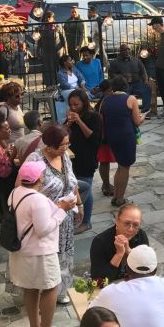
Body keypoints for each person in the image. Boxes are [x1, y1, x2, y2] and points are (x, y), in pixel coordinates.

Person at [7, 160, 76, 327]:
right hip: (41, 253)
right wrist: (61, 210)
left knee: (30, 289)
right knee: (50, 288)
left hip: (22, 252)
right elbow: (43, 229)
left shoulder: (15, 193)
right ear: (40, 178)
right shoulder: (37, 200)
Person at [25, 125, 83, 304]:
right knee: (48, 256)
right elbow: (24, 190)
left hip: (64, 217)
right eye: (61, 145)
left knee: (65, 253)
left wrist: (79, 204)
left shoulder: (64, 156)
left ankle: (61, 290)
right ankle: (44, 292)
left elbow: (72, 182)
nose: (65, 148)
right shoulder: (35, 160)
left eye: (67, 144)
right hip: (46, 216)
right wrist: (55, 206)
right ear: (49, 146)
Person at [97, 75, 145, 206]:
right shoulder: (131, 99)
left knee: (120, 166)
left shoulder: (105, 100)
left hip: (111, 137)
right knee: (125, 167)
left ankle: (116, 196)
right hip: (126, 136)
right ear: (126, 86)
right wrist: (143, 117)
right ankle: (120, 199)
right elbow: (136, 122)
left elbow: (101, 119)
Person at [66, 90, 101, 234]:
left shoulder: (94, 117)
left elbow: (92, 137)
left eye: (76, 104)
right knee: (75, 187)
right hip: (73, 157)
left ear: (84, 103)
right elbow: (65, 133)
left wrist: (79, 121)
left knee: (86, 187)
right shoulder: (73, 116)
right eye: (71, 104)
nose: (73, 107)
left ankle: (86, 221)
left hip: (87, 157)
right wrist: (68, 123)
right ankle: (77, 217)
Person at [89, 202, 150, 283]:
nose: (131, 229)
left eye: (135, 225)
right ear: (117, 221)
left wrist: (129, 251)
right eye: (127, 223)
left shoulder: (141, 236)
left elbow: (147, 269)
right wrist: (119, 254)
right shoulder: (100, 241)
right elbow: (98, 280)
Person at [108, 43, 152, 111]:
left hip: (137, 84)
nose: (127, 51)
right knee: (123, 96)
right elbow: (111, 74)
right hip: (124, 86)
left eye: (128, 49)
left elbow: (143, 71)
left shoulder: (136, 61)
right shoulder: (115, 62)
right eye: (124, 50)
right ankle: (127, 111)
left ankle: (145, 110)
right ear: (121, 51)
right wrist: (121, 77)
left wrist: (145, 80)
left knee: (146, 90)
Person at [38, 10, 67, 87]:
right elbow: (39, 40)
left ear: (52, 18)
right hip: (46, 51)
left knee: (56, 67)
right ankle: (48, 85)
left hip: (57, 51)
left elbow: (63, 38)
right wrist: (38, 50)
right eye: (46, 17)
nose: (47, 19)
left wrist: (66, 51)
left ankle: (58, 84)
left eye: (49, 17)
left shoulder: (57, 26)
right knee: (47, 68)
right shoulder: (42, 27)